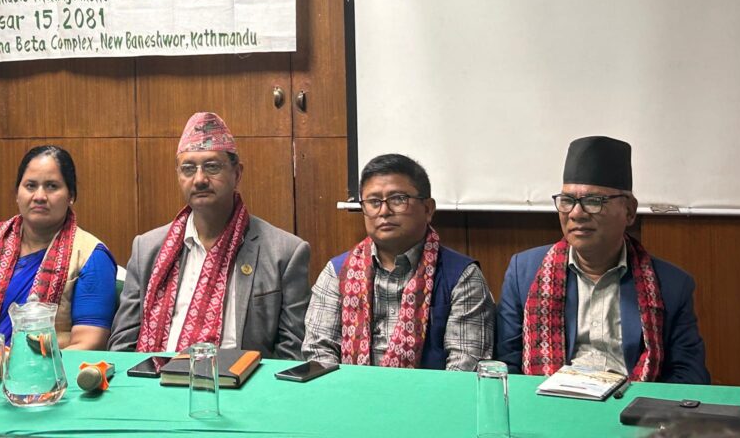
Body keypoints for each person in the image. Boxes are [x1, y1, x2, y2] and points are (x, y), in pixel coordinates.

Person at [497, 135, 710, 384]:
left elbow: (689, 375)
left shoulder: (672, 285)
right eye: (567, 201)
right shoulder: (524, 272)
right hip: (549, 400)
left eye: (593, 201)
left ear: (629, 211)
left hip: (632, 401)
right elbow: (507, 366)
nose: (576, 213)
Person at [109, 111, 310, 359]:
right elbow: (122, 347)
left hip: (244, 380)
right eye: (188, 169)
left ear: (237, 174)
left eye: (212, 167)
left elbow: (291, 355)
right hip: (157, 378)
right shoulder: (147, 249)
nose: (200, 179)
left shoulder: (285, 253)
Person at [302, 153, 495, 369]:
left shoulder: (462, 276)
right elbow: (318, 351)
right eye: (374, 202)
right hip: (350, 388)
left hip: (432, 391)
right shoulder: (337, 272)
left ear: (428, 209)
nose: (384, 211)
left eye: (398, 199)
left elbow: (465, 366)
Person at [0, 145, 117, 349]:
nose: (39, 196)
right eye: (31, 186)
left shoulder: (91, 255)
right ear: (17, 193)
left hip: (51, 366)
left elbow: (89, 341)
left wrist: (22, 363)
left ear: (71, 196)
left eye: (52, 186)